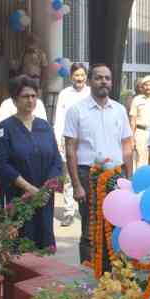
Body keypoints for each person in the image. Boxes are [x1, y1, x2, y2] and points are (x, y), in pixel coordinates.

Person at [64, 64, 134, 264]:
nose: (104, 81)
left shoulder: (119, 110)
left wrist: (129, 180)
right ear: (89, 81)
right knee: (90, 227)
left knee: (116, 224)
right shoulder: (76, 110)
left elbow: (127, 146)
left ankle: (113, 271)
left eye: (107, 78)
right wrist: (76, 185)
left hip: (115, 175)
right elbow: (70, 148)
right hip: (88, 175)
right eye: (99, 77)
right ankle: (87, 275)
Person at [0, 76, 62, 250]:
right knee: (20, 245)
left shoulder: (45, 126)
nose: (30, 100)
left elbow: (56, 160)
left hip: (44, 197)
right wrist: (30, 189)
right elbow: (1, 164)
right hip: (18, 196)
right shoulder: (4, 128)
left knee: (43, 242)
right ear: (15, 100)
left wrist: (46, 188)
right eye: (25, 96)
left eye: (33, 95)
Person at [53, 63, 90, 226]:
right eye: (76, 75)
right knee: (69, 176)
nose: (79, 78)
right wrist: (58, 138)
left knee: (88, 175)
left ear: (86, 76)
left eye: (82, 75)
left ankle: (87, 210)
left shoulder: (91, 93)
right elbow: (59, 118)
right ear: (71, 77)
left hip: (88, 141)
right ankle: (69, 211)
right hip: (69, 141)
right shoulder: (64, 94)